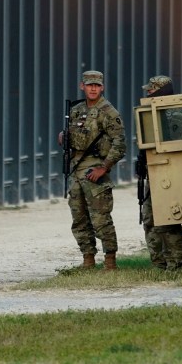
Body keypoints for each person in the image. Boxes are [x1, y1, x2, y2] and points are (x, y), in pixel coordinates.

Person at [58, 70, 126, 270]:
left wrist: (104, 168)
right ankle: (88, 260)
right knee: (79, 219)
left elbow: (120, 144)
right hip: (76, 170)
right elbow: (74, 136)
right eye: (89, 85)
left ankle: (110, 262)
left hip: (95, 171)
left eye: (97, 85)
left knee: (101, 219)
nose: (93, 88)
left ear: (102, 87)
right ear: (83, 86)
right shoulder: (77, 110)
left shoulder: (108, 112)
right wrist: (64, 136)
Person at [136, 75, 182, 271]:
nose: (148, 92)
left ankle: (175, 264)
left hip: (169, 174)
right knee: (149, 218)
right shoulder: (151, 114)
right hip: (153, 173)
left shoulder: (178, 114)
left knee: (168, 220)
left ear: (161, 90)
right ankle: (159, 264)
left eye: (152, 89)